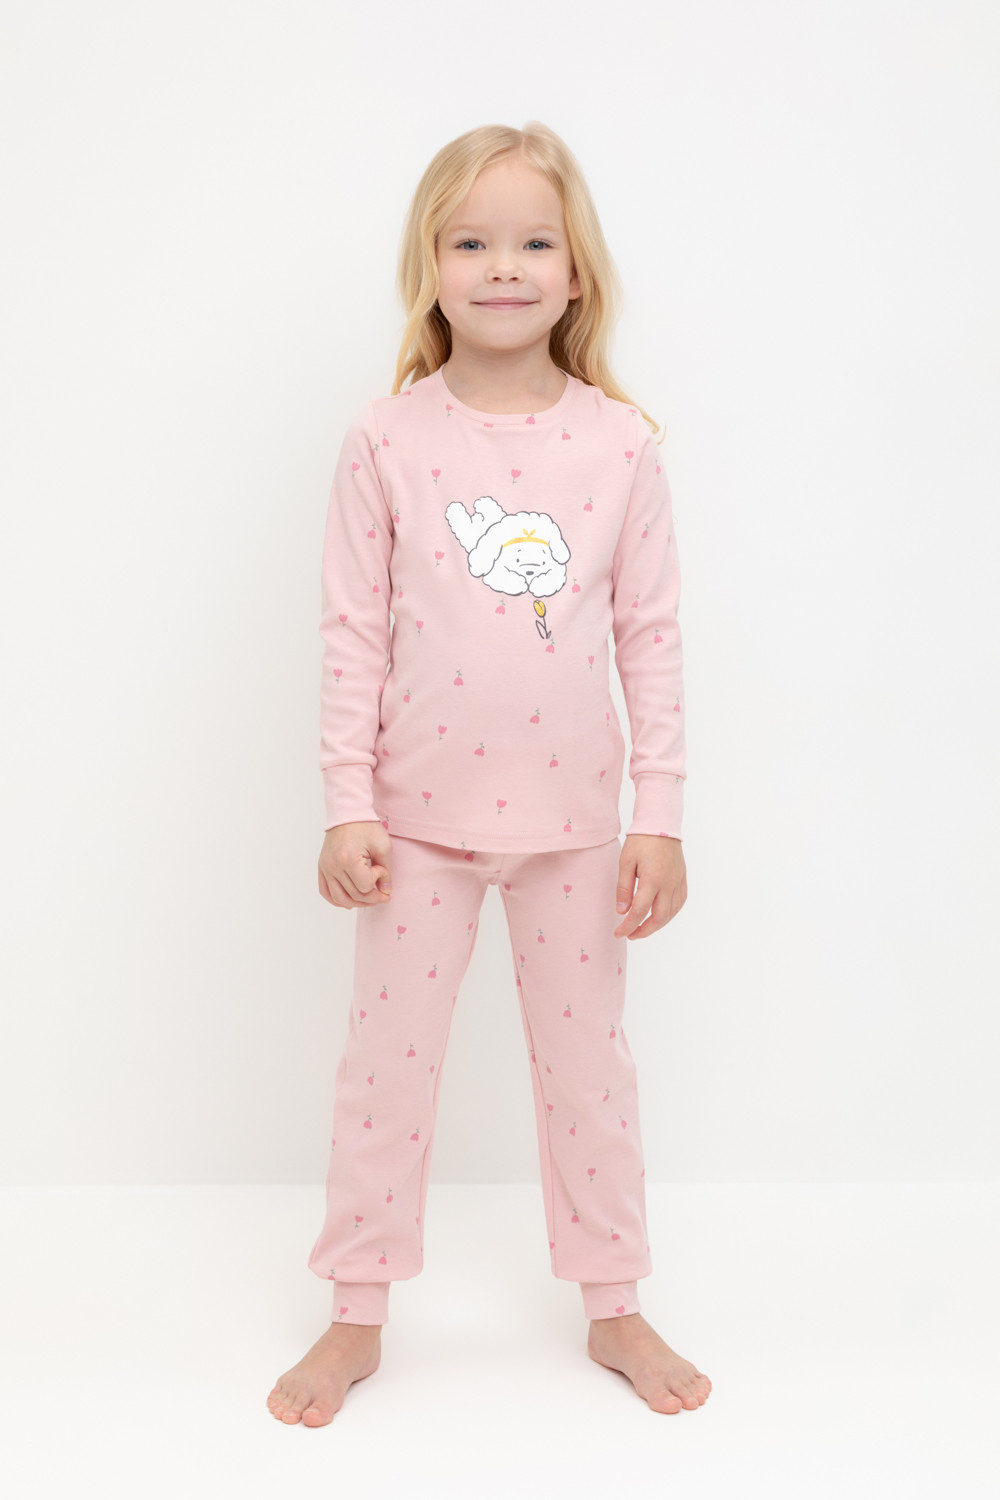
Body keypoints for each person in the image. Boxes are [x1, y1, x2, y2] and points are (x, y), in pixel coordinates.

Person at [267, 120, 712, 1426]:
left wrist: (661, 815)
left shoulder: (621, 447)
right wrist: (347, 803)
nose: (503, 267)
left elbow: (651, 637)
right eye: (470, 242)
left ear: (576, 273)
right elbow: (351, 634)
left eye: (532, 243)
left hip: (578, 826)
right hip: (416, 825)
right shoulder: (386, 440)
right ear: (430, 266)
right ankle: (355, 1313)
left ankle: (614, 1301)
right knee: (384, 1075)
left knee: (590, 1075)